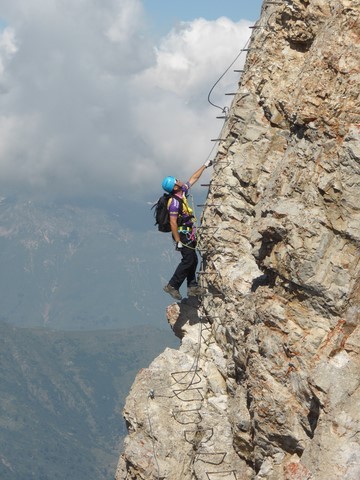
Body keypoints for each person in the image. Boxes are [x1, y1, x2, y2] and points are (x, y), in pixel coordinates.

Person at [162, 160, 212, 300]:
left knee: (193, 260)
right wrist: (178, 241)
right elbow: (173, 222)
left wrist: (205, 165)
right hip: (182, 235)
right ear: (174, 186)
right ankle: (172, 285)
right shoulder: (174, 203)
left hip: (187, 233)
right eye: (176, 180)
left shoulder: (181, 192)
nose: (179, 180)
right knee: (188, 260)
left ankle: (192, 287)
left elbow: (193, 178)